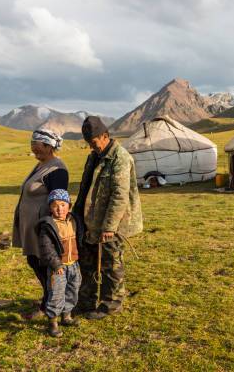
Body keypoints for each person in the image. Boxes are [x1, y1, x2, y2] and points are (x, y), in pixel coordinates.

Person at [72, 116, 143, 319]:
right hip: (90, 220)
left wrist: (110, 227)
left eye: (94, 142)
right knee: (87, 263)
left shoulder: (120, 158)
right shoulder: (93, 157)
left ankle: (110, 305)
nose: (91, 147)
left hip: (113, 223)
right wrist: (77, 215)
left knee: (110, 264)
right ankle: (85, 302)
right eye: (88, 143)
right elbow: (85, 188)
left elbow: (119, 195)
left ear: (105, 136)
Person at [12, 129, 69, 320]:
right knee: (34, 260)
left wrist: (51, 227)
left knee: (45, 264)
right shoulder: (41, 165)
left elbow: (59, 202)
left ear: (48, 146)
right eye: (32, 147)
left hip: (43, 227)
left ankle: (51, 303)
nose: (34, 150)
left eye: (37, 147)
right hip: (32, 225)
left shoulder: (57, 169)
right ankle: (50, 299)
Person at [37, 189, 83, 337]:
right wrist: (56, 265)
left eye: (63, 204)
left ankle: (67, 316)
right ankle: (53, 323)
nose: (59, 209)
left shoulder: (74, 220)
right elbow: (46, 248)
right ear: (50, 207)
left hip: (74, 264)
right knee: (56, 294)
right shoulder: (48, 225)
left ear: (69, 205)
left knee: (73, 290)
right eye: (55, 205)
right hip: (58, 268)